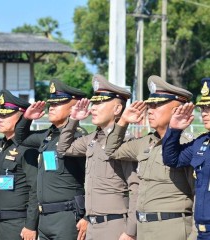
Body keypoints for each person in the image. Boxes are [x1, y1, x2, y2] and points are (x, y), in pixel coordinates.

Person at [105, 75, 197, 240]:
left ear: (177, 109)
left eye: (157, 105)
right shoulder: (146, 142)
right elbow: (111, 150)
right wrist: (124, 121)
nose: (150, 110)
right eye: (150, 105)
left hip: (172, 229)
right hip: (144, 229)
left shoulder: (187, 146)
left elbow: (199, 195)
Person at [56, 74, 143, 240]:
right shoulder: (92, 139)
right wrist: (73, 120)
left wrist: (131, 231)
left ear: (117, 109)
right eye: (93, 103)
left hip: (115, 226)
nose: (93, 108)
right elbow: (63, 148)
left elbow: (136, 188)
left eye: (99, 103)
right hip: (92, 226)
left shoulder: (125, 141)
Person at [15, 79, 88, 240]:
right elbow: (21, 138)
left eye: (57, 104)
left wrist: (87, 215)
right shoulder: (48, 135)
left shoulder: (78, 137)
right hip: (45, 218)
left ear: (73, 108)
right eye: (51, 104)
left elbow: (91, 179)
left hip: (68, 217)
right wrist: (27, 119)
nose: (51, 108)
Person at [0, 90, 40, 240]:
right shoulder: (3, 145)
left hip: (18, 223)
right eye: (0, 115)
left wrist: (30, 225)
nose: (0, 119)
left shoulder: (27, 149)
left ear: (21, 119)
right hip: (0, 222)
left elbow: (35, 189)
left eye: (6, 115)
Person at [161, 77, 210, 240]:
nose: (204, 113)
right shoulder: (202, 142)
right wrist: (174, 130)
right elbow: (172, 159)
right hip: (203, 231)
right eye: (203, 107)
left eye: (209, 108)